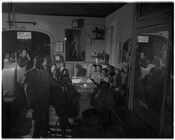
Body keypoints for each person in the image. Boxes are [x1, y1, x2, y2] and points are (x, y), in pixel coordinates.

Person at [24, 56, 50, 138]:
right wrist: (31, 104)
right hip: (36, 101)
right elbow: (28, 90)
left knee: (44, 120)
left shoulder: (44, 71)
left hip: (45, 101)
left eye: (40, 62)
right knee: (37, 121)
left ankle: (43, 134)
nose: (39, 63)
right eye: (36, 61)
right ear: (34, 62)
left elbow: (47, 85)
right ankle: (35, 136)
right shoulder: (29, 73)